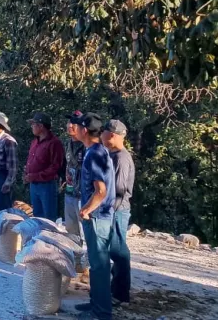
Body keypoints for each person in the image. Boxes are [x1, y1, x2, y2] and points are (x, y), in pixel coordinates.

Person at [75, 112, 116, 320]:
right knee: (96, 263)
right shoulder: (97, 151)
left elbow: (100, 191)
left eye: (77, 127)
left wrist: (86, 210)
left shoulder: (94, 154)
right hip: (98, 216)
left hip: (97, 217)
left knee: (99, 266)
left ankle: (101, 313)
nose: (74, 130)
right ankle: (95, 303)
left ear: (84, 130)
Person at [102, 119, 135, 306]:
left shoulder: (121, 158)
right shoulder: (112, 154)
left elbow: (119, 191)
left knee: (118, 251)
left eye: (104, 132)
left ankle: (121, 295)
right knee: (115, 249)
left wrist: (107, 213)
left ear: (112, 135)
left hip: (117, 210)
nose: (101, 135)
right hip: (113, 210)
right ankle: (116, 289)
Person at [24, 112, 64, 220]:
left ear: (41, 126)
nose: (32, 127)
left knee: (48, 217)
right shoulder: (34, 142)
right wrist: (27, 172)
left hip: (47, 185)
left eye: (33, 124)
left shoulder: (54, 143)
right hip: (33, 184)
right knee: (37, 216)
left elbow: (55, 166)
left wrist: (35, 176)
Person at [62, 110, 86, 240]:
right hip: (70, 191)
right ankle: (74, 252)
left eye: (74, 123)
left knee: (86, 230)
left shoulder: (87, 145)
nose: (70, 125)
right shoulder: (68, 143)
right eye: (69, 122)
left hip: (83, 194)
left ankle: (88, 253)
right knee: (71, 230)